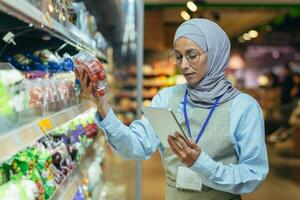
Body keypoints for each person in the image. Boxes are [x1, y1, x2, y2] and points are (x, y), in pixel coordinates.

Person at [75, 18, 268, 200]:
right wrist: (102, 105)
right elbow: (135, 146)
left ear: (216, 52)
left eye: (192, 56)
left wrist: (201, 164)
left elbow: (252, 175)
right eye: (178, 57)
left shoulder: (244, 107)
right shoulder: (166, 98)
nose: (184, 65)